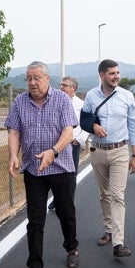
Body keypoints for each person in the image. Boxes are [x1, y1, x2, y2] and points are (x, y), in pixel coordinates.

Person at [5, 61, 79, 268]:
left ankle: (71, 247)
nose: (33, 82)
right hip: (33, 169)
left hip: (60, 167)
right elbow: (14, 131)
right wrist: (13, 155)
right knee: (35, 220)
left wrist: (53, 151)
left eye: (37, 77)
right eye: (29, 78)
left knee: (66, 213)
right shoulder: (20, 102)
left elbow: (69, 130)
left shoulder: (62, 99)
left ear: (48, 79)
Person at [83, 59, 135, 258]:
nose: (116, 76)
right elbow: (84, 120)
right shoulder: (91, 95)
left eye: (117, 73)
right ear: (102, 75)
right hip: (97, 151)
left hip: (120, 151)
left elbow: (133, 126)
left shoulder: (127, 96)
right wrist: (93, 127)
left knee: (118, 195)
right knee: (104, 194)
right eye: (111, 73)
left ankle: (118, 242)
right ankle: (109, 229)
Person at [48, 76, 89, 210]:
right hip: (56, 144)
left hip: (72, 144)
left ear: (73, 88)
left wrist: (79, 139)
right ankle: (57, 199)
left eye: (64, 85)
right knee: (55, 173)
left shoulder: (81, 105)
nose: (61, 87)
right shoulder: (54, 102)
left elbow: (86, 125)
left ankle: (68, 202)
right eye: (61, 85)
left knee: (70, 175)